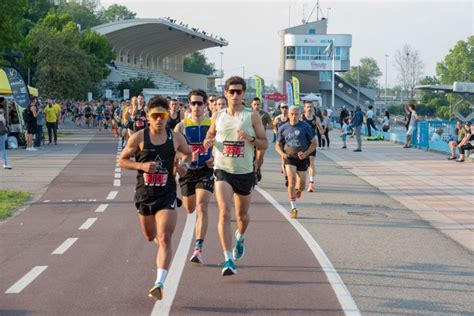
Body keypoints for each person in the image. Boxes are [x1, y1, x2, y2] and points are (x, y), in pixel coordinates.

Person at [118, 96, 192, 300]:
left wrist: (184, 165)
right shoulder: (139, 138)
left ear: (168, 116)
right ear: (148, 117)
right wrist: (141, 166)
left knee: (166, 237)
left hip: (166, 194)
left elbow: (188, 153)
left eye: (163, 115)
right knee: (150, 236)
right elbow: (122, 160)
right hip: (144, 195)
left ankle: (159, 283)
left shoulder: (175, 138)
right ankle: (159, 251)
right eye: (155, 116)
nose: (159, 119)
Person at [203, 76, 268, 276]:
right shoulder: (218, 116)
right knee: (224, 212)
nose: (235, 95)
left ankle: (240, 238)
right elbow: (210, 135)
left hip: (244, 171)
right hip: (223, 169)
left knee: (242, 216)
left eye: (239, 91)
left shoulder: (252, 116)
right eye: (231, 91)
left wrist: (250, 139)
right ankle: (228, 259)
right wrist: (208, 141)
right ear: (225, 93)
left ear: (243, 94)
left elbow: (265, 143)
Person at [174, 90, 214, 264]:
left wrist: (214, 158)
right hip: (188, 171)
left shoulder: (212, 124)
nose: (196, 107)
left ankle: (198, 247)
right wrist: (184, 159)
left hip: (205, 170)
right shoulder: (181, 126)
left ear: (205, 104)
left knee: (202, 206)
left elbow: (221, 145)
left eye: (200, 103)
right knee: (190, 208)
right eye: (193, 103)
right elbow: (174, 151)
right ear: (188, 105)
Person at [275, 106, 317, 219]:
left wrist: (306, 153)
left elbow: (314, 143)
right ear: (288, 115)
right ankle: (294, 208)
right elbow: (277, 144)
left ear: (299, 115)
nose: (294, 116)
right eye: (292, 114)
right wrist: (282, 154)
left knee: (302, 184)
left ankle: (299, 190)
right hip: (289, 157)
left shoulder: (305, 127)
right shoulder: (283, 128)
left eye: (296, 114)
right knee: (291, 181)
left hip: (302, 158)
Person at [301, 100, 322, 192]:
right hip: (302, 144)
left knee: (312, 162)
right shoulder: (301, 118)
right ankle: (301, 181)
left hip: (312, 144)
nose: (309, 108)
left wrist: (322, 132)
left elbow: (321, 130)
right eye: (307, 107)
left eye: (311, 107)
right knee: (303, 164)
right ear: (304, 108)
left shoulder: (316, 119)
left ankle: (311, 183)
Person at [251, 97, 272, 182]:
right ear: (252, 105)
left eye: (258, 104)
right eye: (255, 104)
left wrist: (263, 127)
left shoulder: (264, 114)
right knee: (252, 158)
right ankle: (254, 173)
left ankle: (258, 168)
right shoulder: (249, 114)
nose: (256, 106)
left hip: (261, 139)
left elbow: (271, 125)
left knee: (259, 157)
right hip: (251, 140)